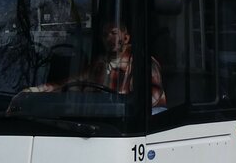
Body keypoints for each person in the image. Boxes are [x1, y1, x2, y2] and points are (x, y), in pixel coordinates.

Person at [21, 22, 167, 113]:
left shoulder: (143, 62)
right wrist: (34, 91)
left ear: (126, 38)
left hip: (140, 126)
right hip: (103, 124)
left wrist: (116, 106)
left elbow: (150, 99)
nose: (109, 38)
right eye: (105, 35)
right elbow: (70, 83)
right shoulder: (99, 63)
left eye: (114, 33)